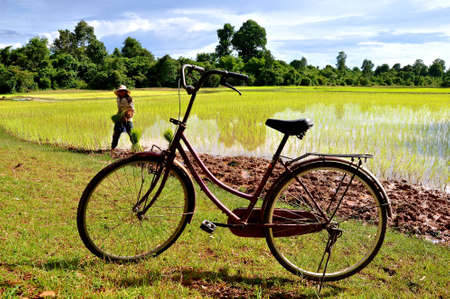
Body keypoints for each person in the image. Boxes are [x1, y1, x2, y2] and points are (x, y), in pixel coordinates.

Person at [111, 85, 135, 150]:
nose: (121, 92)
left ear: (125, 92)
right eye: (120, 91)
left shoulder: (129, 99)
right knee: (116, 133)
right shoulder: (118, 98)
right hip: (119, 118)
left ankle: (136, 146)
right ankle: (113, 148)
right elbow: (119, 109)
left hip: (128, 118)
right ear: (118, 92)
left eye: (122, 91)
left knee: (131, 134)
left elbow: (132, 110)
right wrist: (119, 115)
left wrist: (127, 115)